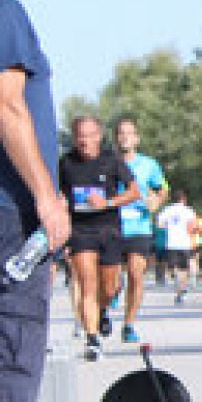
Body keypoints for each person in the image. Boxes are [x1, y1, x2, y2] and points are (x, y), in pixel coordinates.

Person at [0, 0, 72, 402]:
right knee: (16, 334)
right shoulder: (6, 12)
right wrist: (47, 199)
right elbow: (8, 107)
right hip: (9, 209)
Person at [58, 115, 140, 359]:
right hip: (80, 231)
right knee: (87, 284)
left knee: (109, 287)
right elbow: (58, 195)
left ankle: (103, 310)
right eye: (79, 136)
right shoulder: (66, 163)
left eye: (88, 136)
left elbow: (134, 192)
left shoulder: (111, 160)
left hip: (109, 230)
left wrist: (108, 202)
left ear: (99, 136)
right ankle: (92, 339)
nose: (84, 141)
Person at [112, 116, 169, 342]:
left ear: (137, 138)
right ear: (115, 138)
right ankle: (107, 305)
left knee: (136, 275)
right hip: (112, 227)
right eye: (121, 133)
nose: (125, 137)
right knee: (111, 281)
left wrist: (157, 200)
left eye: (129, 133)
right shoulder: (107, 162)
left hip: (139, 227)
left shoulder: (149, 164)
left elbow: (162, 188)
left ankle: (129, 324)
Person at [156, 189, 202, 302]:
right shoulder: (189, 211)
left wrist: (169, 226)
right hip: (185, 243)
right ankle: (182, 289)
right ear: (183, 199)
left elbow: (159, 224)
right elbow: (194, 226)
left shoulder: (167, 210)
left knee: (173, 268)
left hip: (172, 243)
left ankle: (179, 286)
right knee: (184, 268)